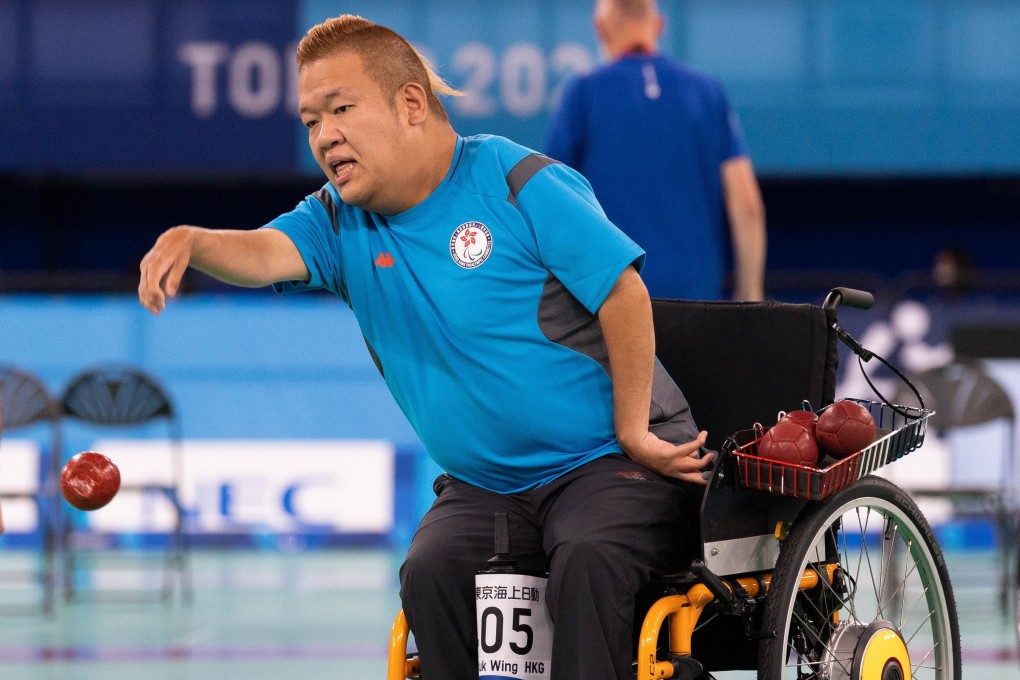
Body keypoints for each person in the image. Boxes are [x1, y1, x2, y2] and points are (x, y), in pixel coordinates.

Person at [138, 14, 712, 680]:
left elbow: (624, 293)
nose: (325, 136)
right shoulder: (336, 220)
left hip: (604, 464)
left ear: (410, 102)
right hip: (489, 488)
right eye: (310, 121)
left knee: (586, 558)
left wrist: (634, 431)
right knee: (431, 570)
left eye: (341, 109)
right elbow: (266, 251)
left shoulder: (514, 180)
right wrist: (196, 241)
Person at [545, 0, 766, 302]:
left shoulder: (583, 92)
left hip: (611, 298)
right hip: (695, 300)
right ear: (659, 25)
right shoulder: (706, 91)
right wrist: (750, 296)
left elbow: (550, 201)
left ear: (600, 29)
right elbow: (747, 204)